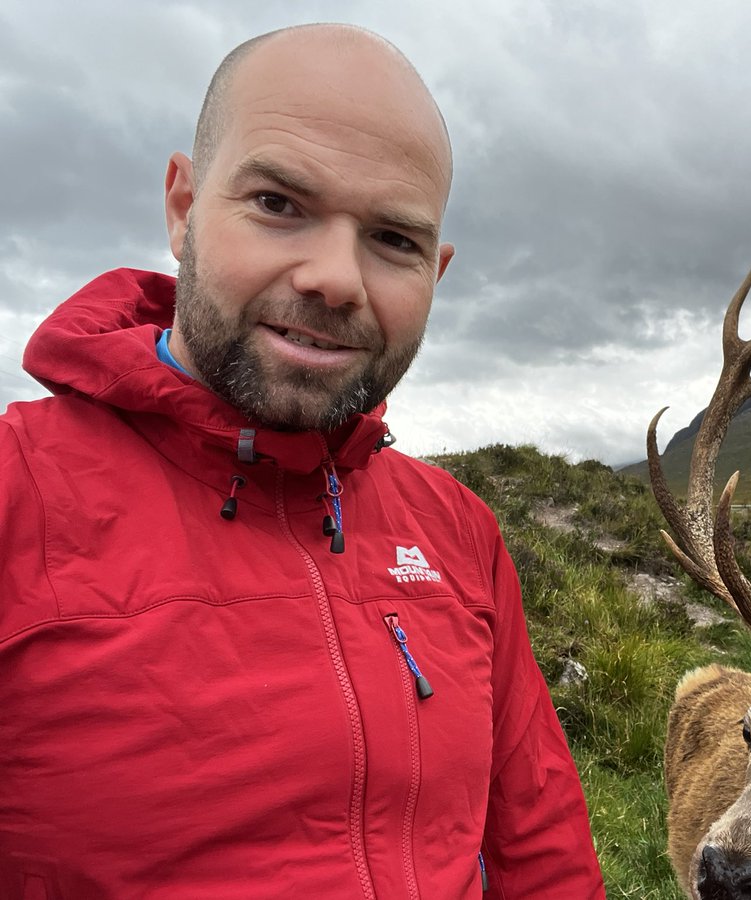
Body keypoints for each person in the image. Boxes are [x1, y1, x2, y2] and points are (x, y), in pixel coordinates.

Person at [0, 23, 604, 899]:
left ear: (436, 271)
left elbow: (539, 848)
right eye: (279, 204)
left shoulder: (460, 532)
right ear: (182, 207)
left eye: (393, 240)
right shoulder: (15, 495)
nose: (335, 278)